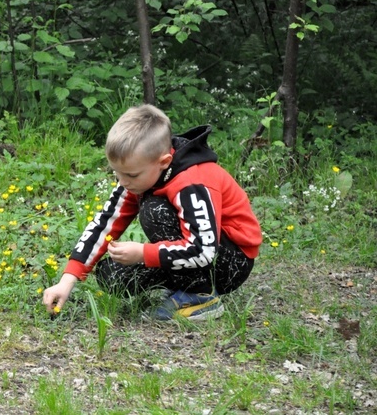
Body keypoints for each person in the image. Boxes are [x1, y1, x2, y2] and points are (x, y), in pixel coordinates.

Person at [42, 104, 262, 321]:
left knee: (153, 210)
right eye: (117, 173)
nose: (123, 182)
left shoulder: (191, 182)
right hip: (197, 254)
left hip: (229, 262)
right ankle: (183, 287)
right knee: (112, 275)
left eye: (132, 175)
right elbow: (105, 223)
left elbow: (204, 250)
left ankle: (200, 297)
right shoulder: (136, 179)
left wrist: (143, 253)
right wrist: (67, 280)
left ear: (163, 162)